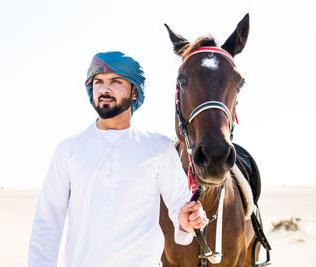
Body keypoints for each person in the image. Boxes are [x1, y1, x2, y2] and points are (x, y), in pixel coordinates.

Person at [28, 51, 207, 267]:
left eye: (115, 81)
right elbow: (47, 222)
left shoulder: (158, 147)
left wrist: (187, 219)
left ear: (134, 92)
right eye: (98, 82)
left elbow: (180, 202)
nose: (104, 88)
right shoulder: (69, 149)